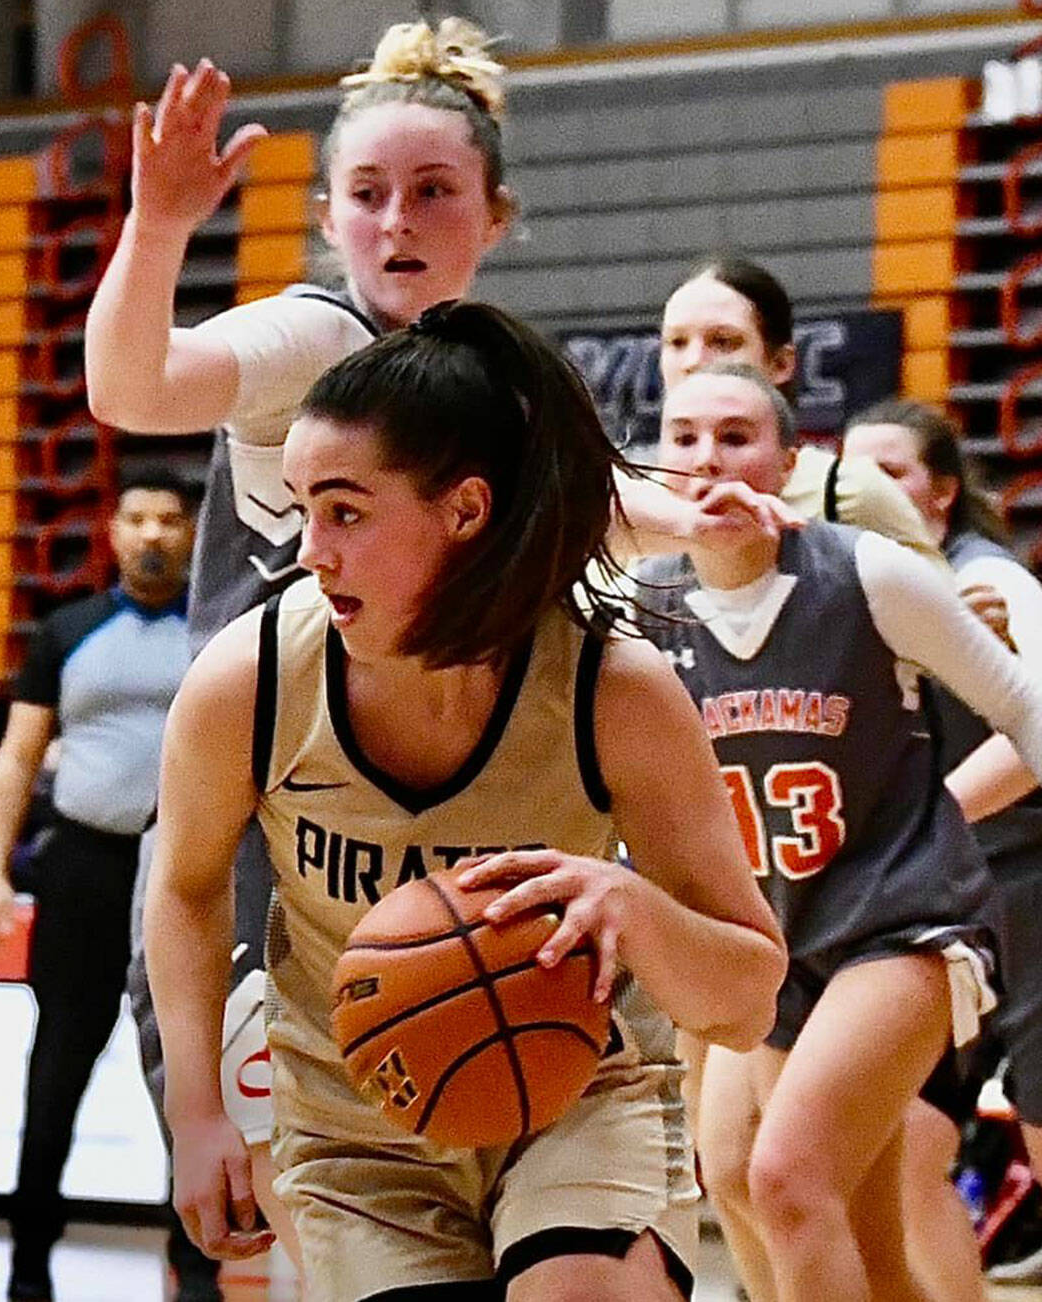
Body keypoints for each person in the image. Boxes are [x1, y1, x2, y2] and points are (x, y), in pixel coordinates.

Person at [143, 301, 786, 1300]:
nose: (311, 550)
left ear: (465, 511)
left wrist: (632, 907)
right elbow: (186, 887)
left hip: (579, 1092)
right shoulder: (252, 679)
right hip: (360, 1127)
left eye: (345, 512)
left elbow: (746, 1004)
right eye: (304, 509)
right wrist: (196, 1114)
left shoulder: (611, 690)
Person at [84, 17, 516, 1271]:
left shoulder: (496, 396)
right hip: (262, 835)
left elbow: (604, 519)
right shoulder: (319, 341)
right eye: (367, 194)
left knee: (404, 1236)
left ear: (495, 216)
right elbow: (135, 389)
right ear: (327, 217)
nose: (396, 221)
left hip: (412, 838)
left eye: (431, 191)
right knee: (266, 1235)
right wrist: (159, 226)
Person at [640, 363, 1042, 1302]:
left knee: (785, 1179)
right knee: (857, 1233)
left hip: (906, 921)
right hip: (777, 939)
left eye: (735, 437)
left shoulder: (870, 573)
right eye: (685, 439)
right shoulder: (644, 604)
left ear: (789, 462)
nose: (709, 459)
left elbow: (1026, 708)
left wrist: (950, 811)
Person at [0, 467, 209, 1302]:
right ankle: (28, 1264)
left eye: (169, 520)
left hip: (185, 877)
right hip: (84, 869)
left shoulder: (220, 632)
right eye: (137, 519)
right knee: (58, 1069)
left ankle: (197, 1270)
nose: (152, 535)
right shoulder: (67, 631)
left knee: (189, 1072)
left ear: (191, 533)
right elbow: (17, 757)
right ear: (113, 532)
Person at [846, 401, 1042, 1287]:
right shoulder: (855, 590)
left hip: (1025, 877)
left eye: (893, 470)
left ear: (942, 493)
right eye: (857, 471)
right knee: (904, 1147)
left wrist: (924, 821)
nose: (871, 486)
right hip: (937, 898)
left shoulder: (990, 579)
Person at [612, 256, 944, 566]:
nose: (693, 361)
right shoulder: (627, 501)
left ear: (781, 363)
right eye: (677, 342)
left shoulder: (847, 491)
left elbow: (940, 602)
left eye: (723, 341)